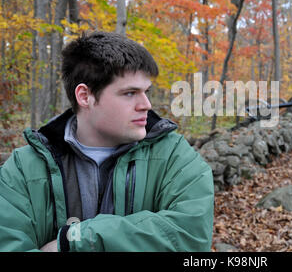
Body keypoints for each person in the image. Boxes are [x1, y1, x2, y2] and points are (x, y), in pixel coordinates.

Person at [0, 31, 214, 252]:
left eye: (146, 91)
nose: (146, 104)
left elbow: (192, 238)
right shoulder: (23, 170)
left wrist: (76, 241)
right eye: (130, 93)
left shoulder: (174, 155)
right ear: (85, 96)